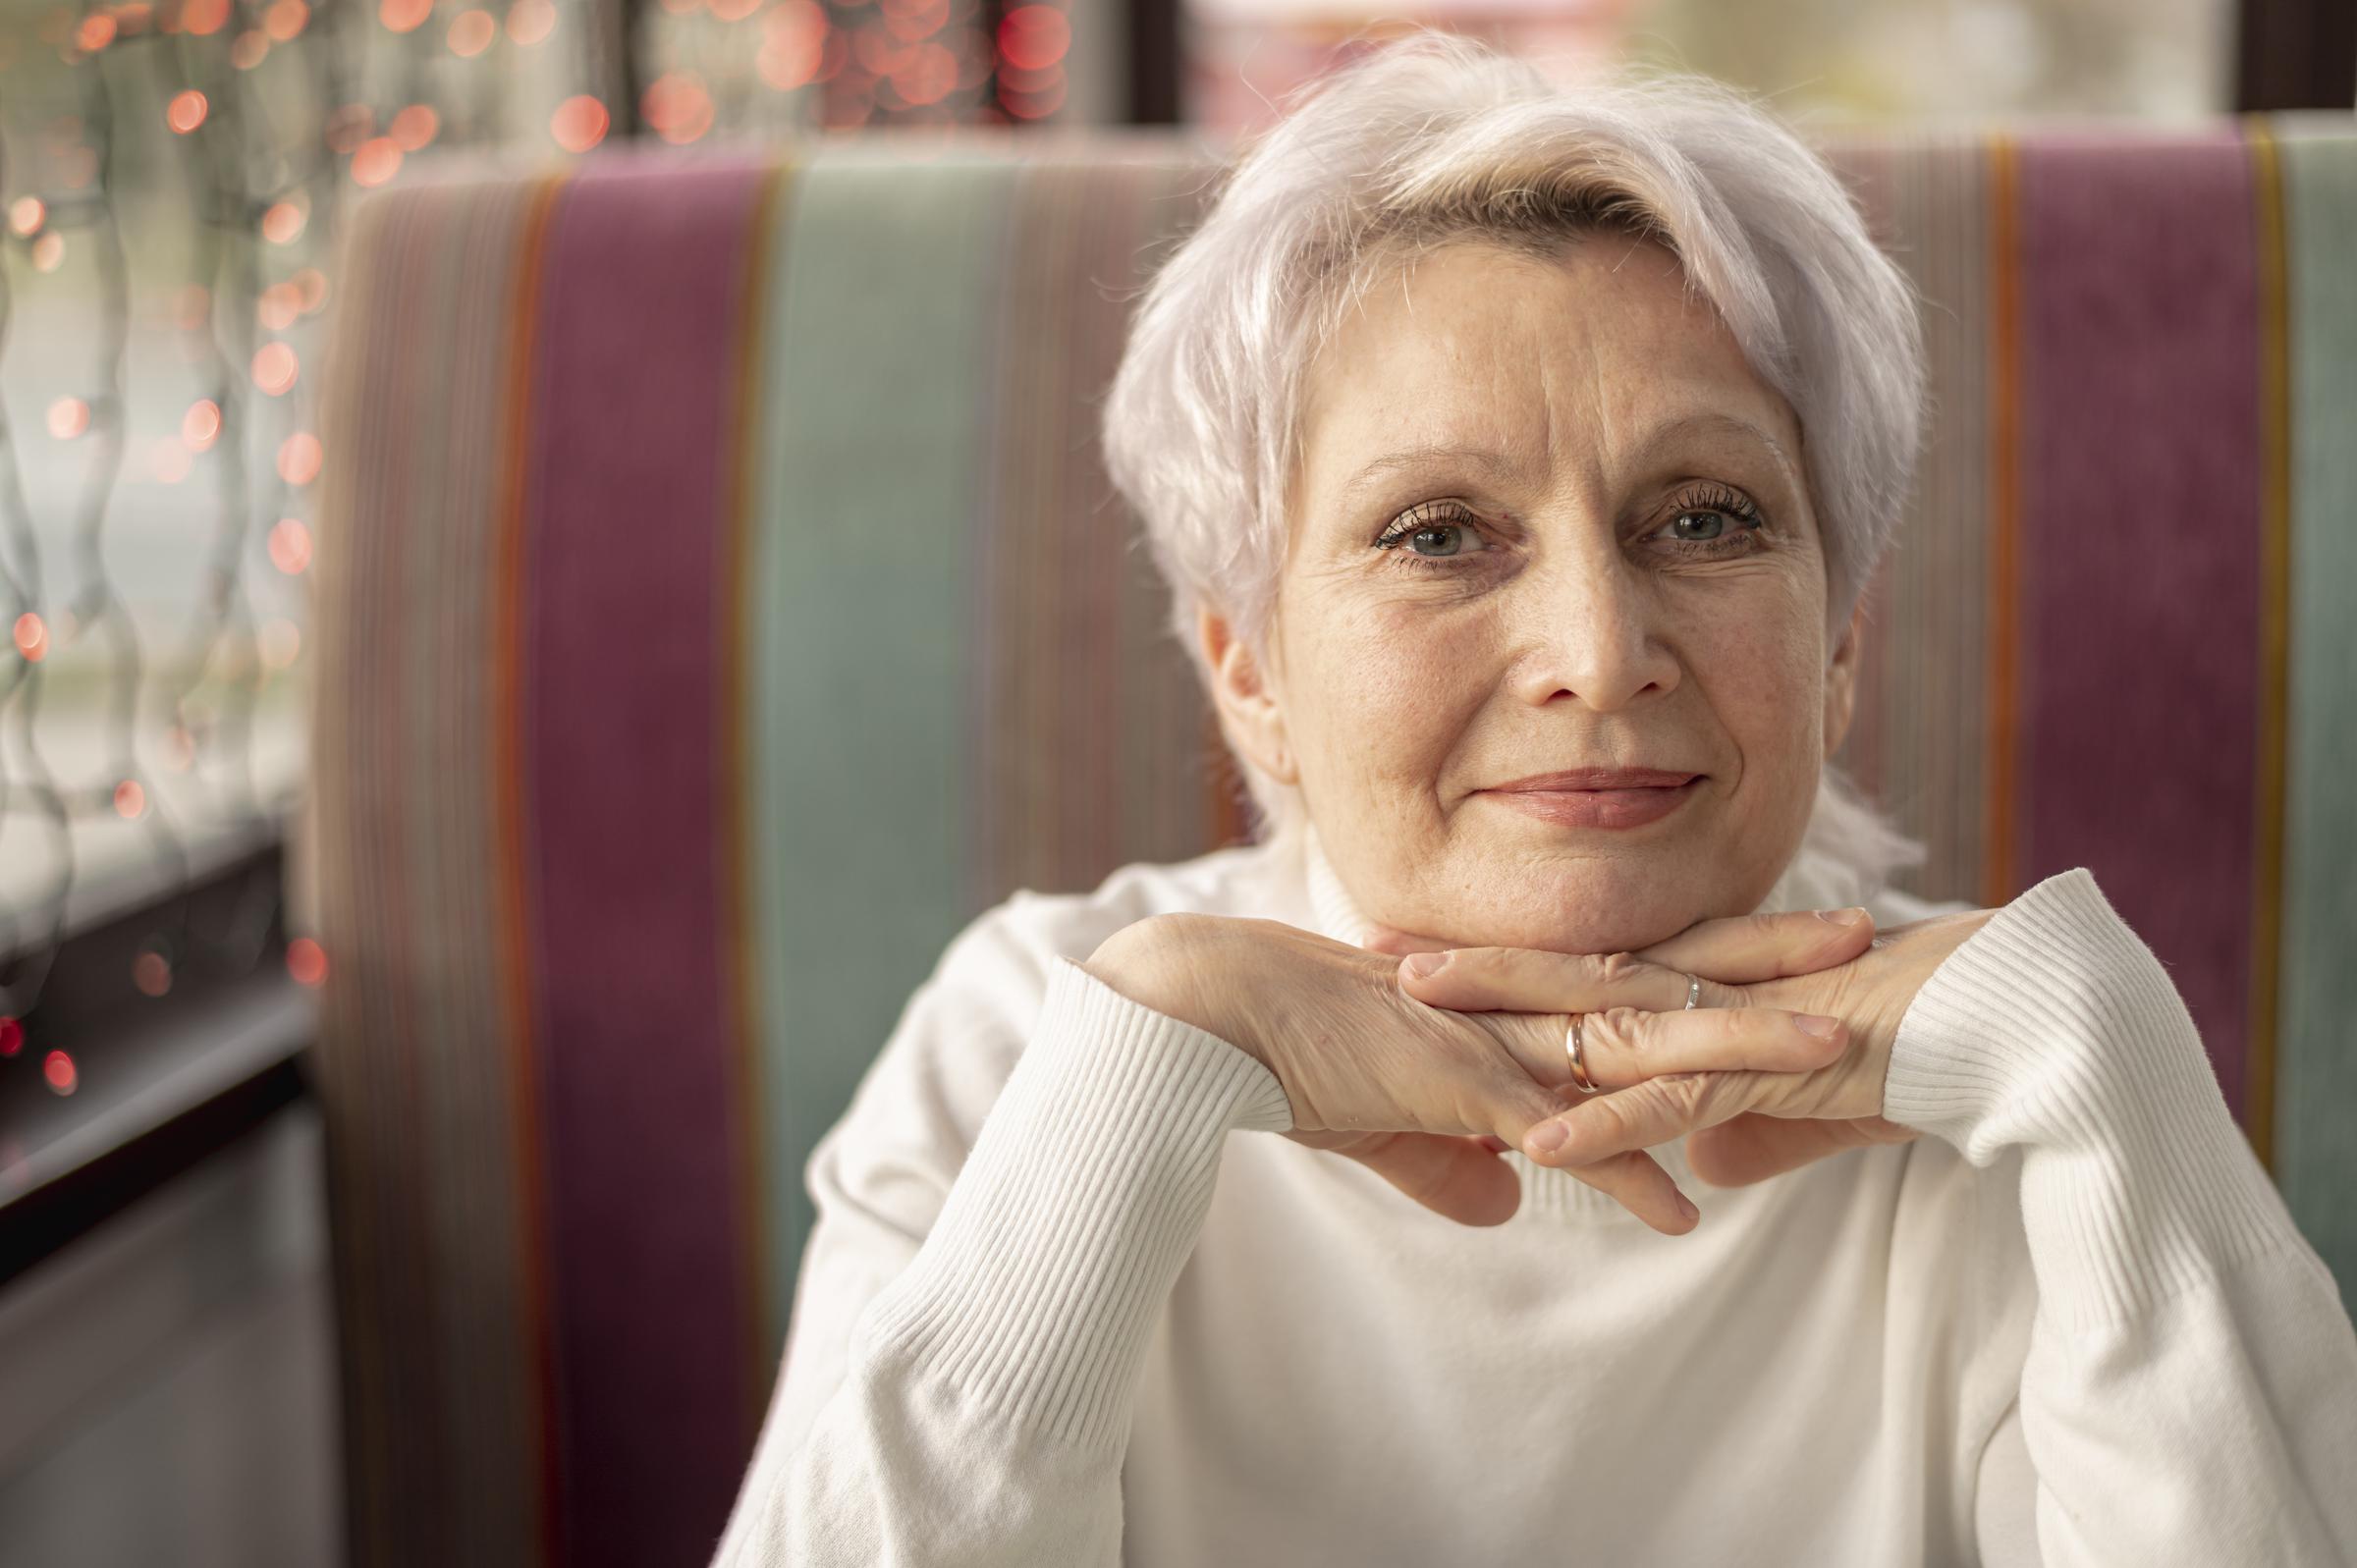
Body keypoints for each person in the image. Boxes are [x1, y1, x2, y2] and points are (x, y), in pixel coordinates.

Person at [707, 29, 2357, 1566]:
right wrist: (1132, 1091)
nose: (1597, 650)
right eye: (1437, 531)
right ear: (1250, 669)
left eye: (1705, 517)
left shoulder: (2024, 1096)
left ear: (1839, 645)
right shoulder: (1026, 1043)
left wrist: (2113, 1090)